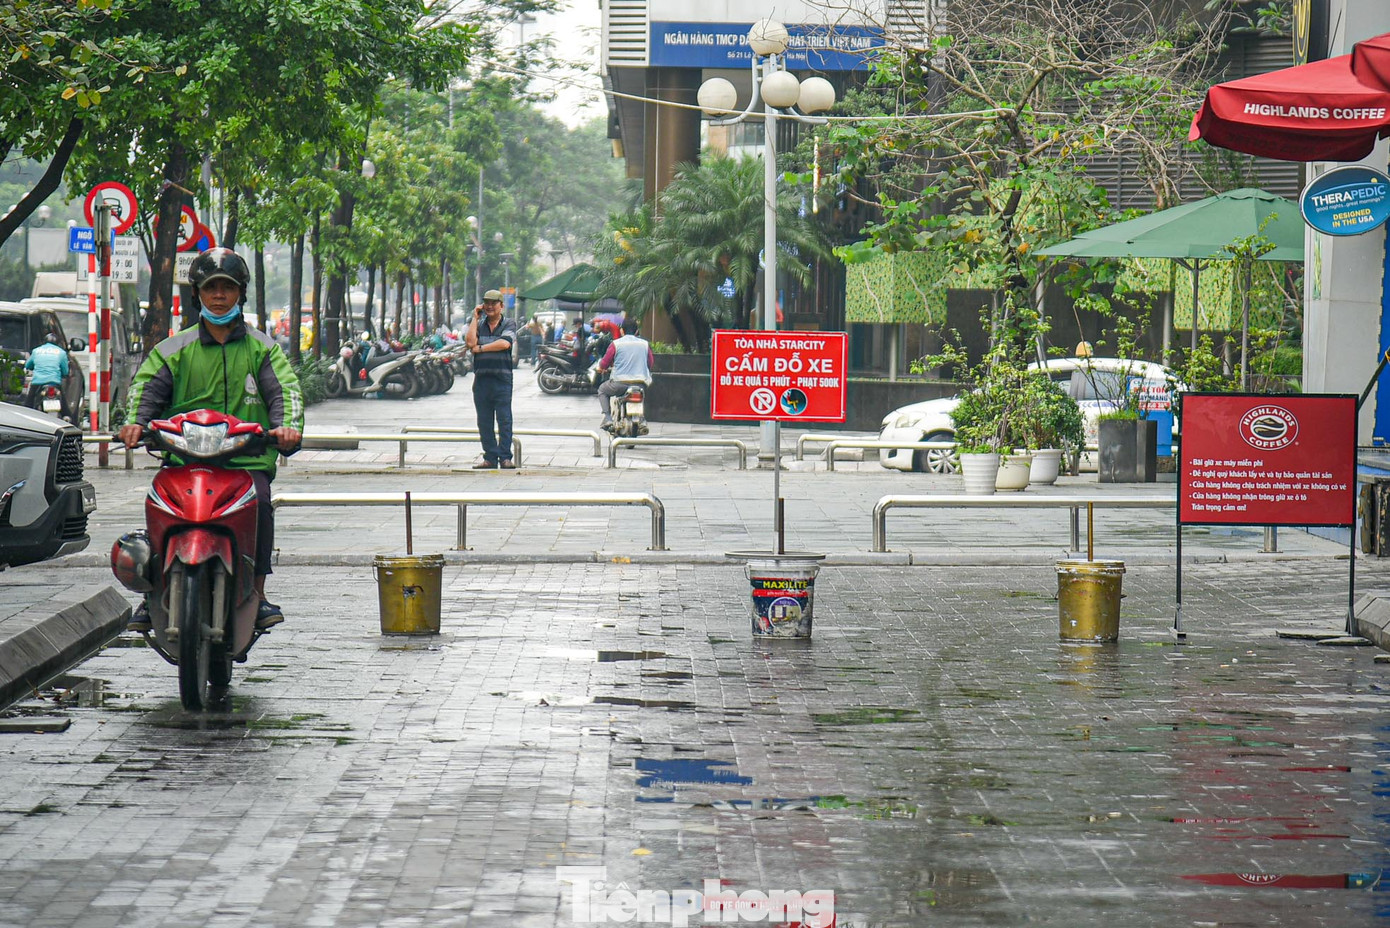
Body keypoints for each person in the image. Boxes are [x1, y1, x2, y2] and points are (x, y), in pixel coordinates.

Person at [119, 247, 304, 632]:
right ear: (197, 294)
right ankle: (151, 591)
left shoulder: (263, 349)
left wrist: (286, 427)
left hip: (245, 462)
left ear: (241, 294)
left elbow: (284, 392)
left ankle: (259, 592)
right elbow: (146, 389)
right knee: (158, 501)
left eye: (228, 287)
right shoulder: (174, 349)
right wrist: (136, 422)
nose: (219, 295)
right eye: (211, 287)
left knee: (263, 504)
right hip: (184, 459)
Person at [465, 288, 516, 469]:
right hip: (481, 379)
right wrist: (475, 318)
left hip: (502, 379)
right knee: (484, 420)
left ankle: (505, 457)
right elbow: (470, 342)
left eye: (494, 303)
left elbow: (504, 343)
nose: (490, 306)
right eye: (486, 303)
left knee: (504, 419)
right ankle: (490, 458)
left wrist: (480, 348)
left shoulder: (509, 323)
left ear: (501, 306)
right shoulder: (478, 324)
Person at [596, 318, 654, 430]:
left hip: (619, 384)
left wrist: (601, 368)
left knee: (602, 390)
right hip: (640, 383)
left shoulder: (616, 344)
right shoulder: (645, 344)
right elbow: (650, 363)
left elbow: (605, 362)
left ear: (622, 331)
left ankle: (608, 417)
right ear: (637, 331)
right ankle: (641, 419)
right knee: (642, 396)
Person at [23, 333, 69, 415]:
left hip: (37, 382)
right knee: (64, 405)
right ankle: (68, 418)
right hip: (54, 382)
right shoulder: (61, 352)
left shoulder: (36, 351)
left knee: (28, 405)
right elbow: (65, 371)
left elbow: (28, 365)